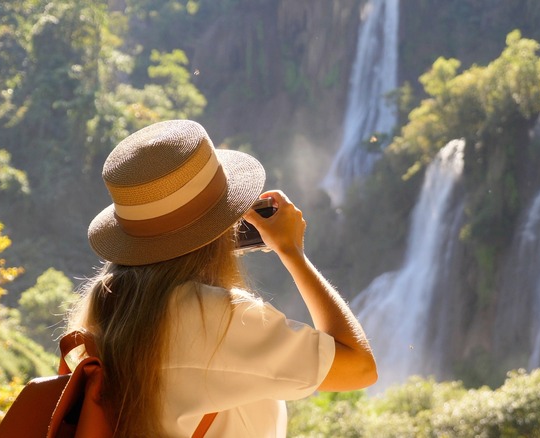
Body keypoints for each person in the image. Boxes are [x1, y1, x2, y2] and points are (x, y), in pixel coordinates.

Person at [66, 119, 377, 437]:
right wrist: (292, 252)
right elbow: (359, 367)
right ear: (219, 229)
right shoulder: (220, 319)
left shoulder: (102, 305)